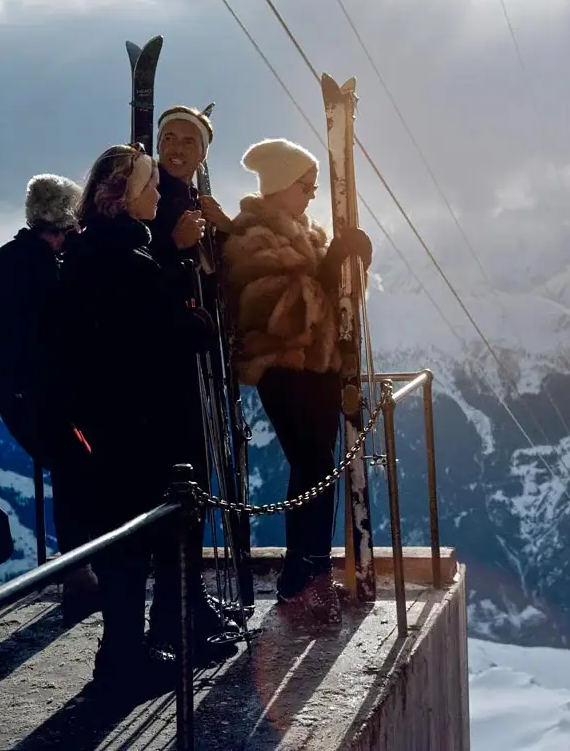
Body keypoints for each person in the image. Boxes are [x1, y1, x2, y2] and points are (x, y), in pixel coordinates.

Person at [56, 144, 218, 693]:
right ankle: (123, 660)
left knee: (125, 542)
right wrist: (193, 319)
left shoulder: (90, 252)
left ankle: (125, 652)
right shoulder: (125, 258)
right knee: (134, 543)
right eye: (148, 187)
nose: (156, 195)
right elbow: (168, 335)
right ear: (124, 197)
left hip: (108, 422)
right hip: (138, 424)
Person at [222, 138, 371, 624]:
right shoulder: (251, 238)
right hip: (283, 369)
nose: (311, 195)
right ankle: (303, 578)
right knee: (312, 464)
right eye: (304, 186)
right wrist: (331, 271)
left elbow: (333, 305)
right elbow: (280, 315)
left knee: (318, 470)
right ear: (280, 186)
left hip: (320, 368)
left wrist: (353, 270)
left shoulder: (306, 233)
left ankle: (307, 572)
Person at [144, 105, 239, 657]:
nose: (176, 148)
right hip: (171, 376)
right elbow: (148, 281)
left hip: (193, 371)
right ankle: (175, 617)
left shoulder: (186, 201)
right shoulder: (154, 204)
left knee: (193, 491)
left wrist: (221, 234)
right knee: (183, 489)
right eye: (169, 138)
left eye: (188, 141)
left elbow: (217, 282)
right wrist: (178, 247)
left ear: (203, 153)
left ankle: (188, 604)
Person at [0, 173, 99, 621]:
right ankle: (81, 574)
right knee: (78, 469)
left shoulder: (7, 260)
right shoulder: (49, 271)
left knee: (70, 469)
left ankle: (78, 572)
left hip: (16, 393)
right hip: (45, 394)